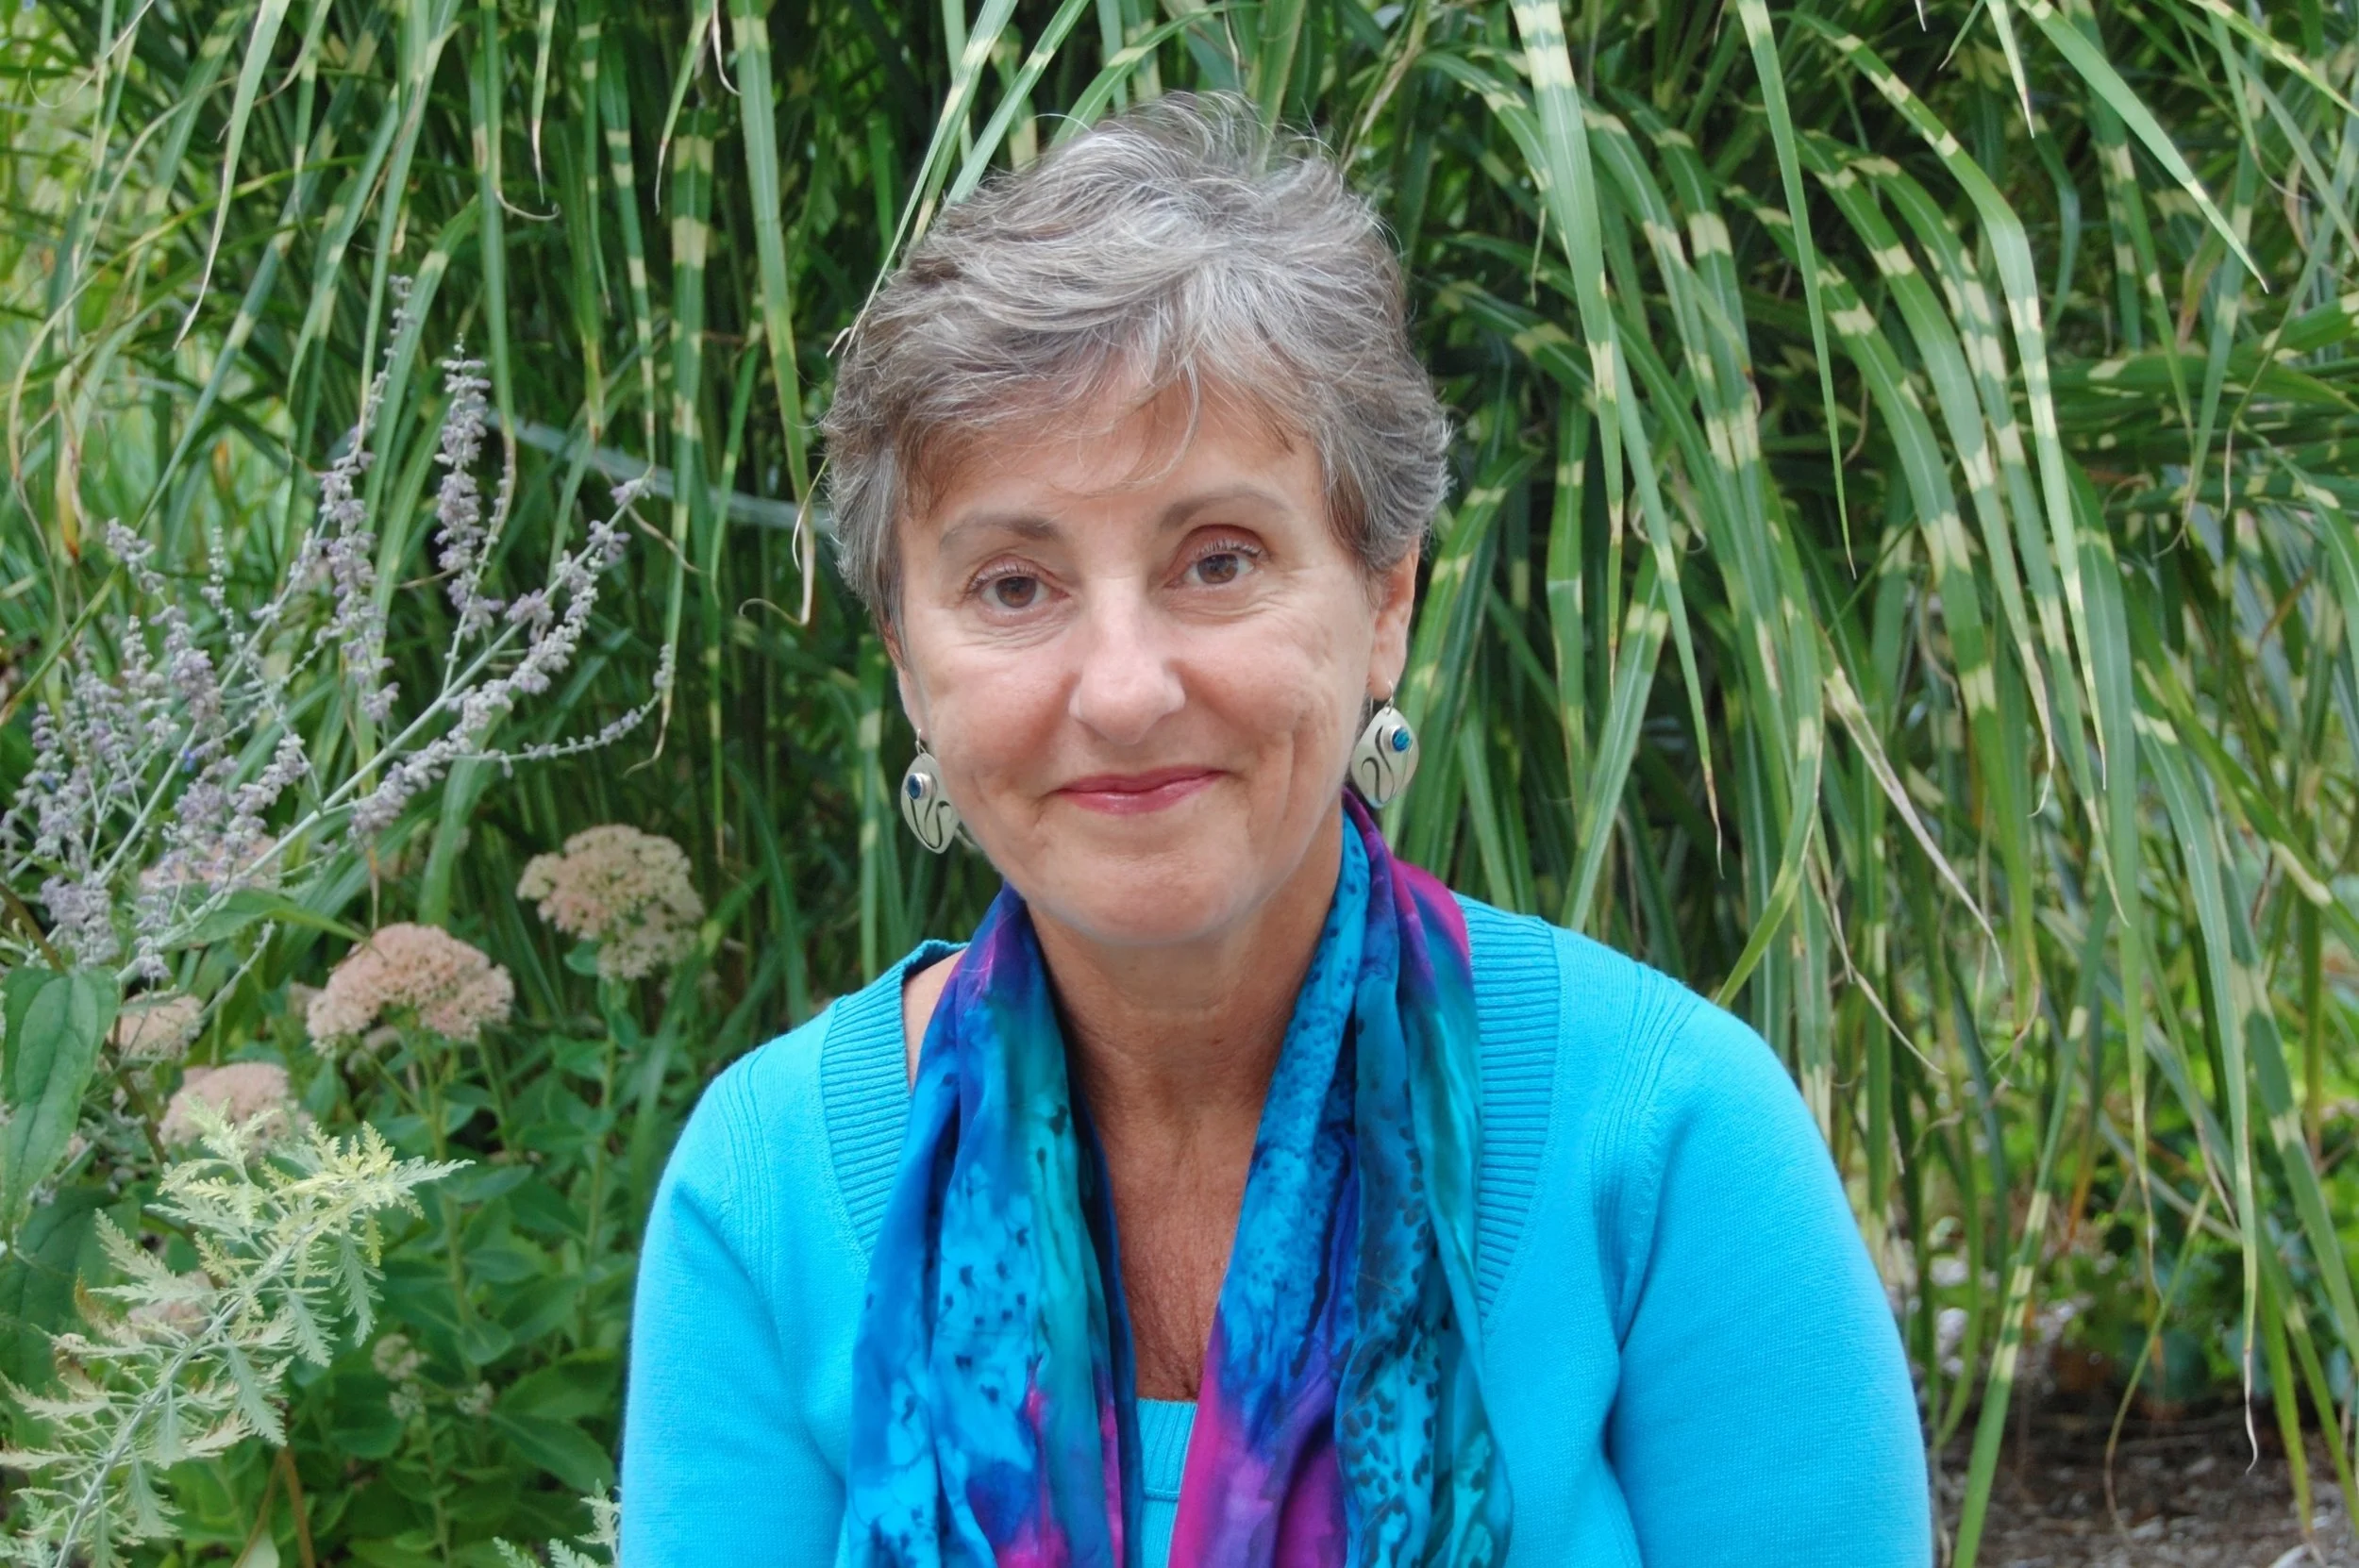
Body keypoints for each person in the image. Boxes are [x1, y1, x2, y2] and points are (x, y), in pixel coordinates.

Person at [620, 92, 1930, 1567]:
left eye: (1217, 559)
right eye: (1011, 586)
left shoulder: (1668, 1138)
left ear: (1384, 599)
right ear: (909, 661)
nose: (1120, 689)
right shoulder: (767, 1186)